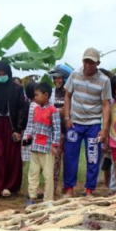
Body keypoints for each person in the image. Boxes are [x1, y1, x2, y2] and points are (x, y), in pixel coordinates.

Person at [62, 47, 111, 198]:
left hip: (93, 124)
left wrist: (104, 128)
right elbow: (68, 96)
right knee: (70, 156)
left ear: (98, 63)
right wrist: (67, 118)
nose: (88, 65)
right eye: (86, 61)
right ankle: (69, 189)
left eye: (92, 62)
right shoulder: (74, 75)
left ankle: (89, 189)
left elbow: (105, 104)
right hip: (75, 123)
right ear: (83, 61)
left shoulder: (104, 80)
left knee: (93, 157)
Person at [0, 61, 26, 198]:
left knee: (13, 155)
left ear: (9, 73)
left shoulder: (16, 89)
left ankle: (10, 186)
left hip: (12, 125)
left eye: (4, 73)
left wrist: (19, 129)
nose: (1, 76)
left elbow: (22, 109)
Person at [49, 64, 71, 193]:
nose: (57, 80)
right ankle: (52, 185)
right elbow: (48, 110)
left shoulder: (70, 92)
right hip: (56, 132)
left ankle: (66, 186)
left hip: (69, 131)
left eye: (60, 78)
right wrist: (58, 111)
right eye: (55, 78)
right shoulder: (51, 93)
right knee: (55, 161)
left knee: (68, 160)